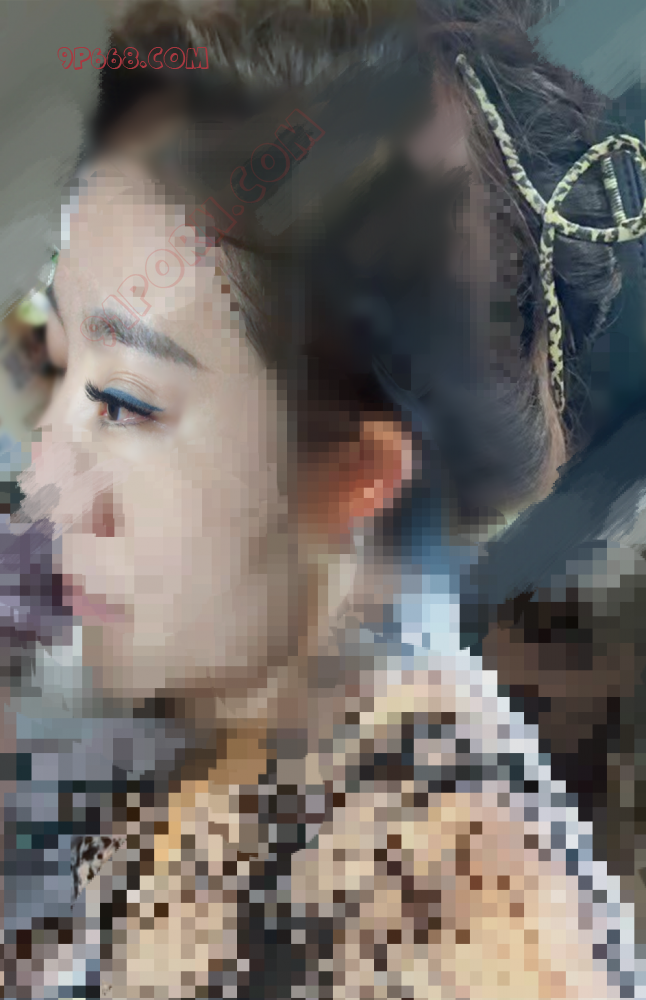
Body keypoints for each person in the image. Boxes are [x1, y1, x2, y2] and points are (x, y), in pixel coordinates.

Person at [1, 0, 641, 997]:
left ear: (352, 472)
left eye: (126, 403)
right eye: (45, 350)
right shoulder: (173, 761)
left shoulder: (474, 930)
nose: (45, 483)